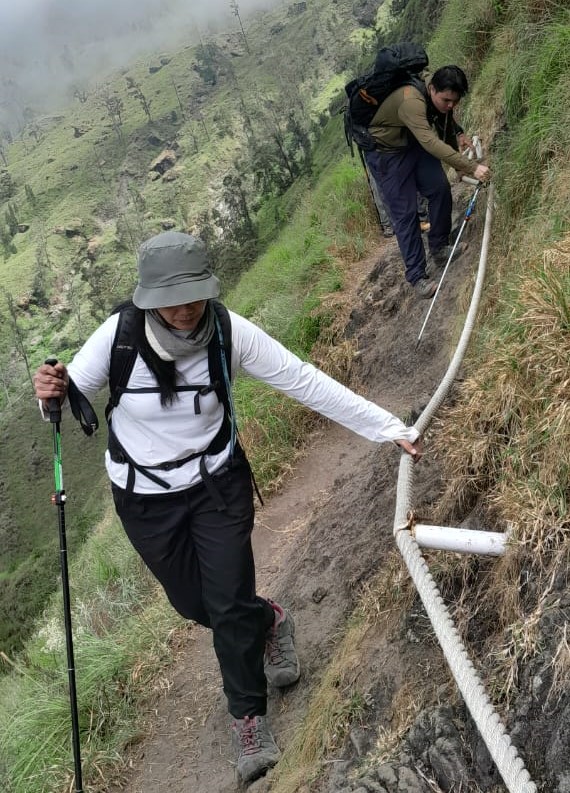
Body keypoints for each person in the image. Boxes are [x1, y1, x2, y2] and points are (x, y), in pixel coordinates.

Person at [33, 231, 424, 784]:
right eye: (172, 297)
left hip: (217, 485)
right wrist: (47, 388)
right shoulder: (118, 336)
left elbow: (302, 380)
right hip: (143, 497)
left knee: (225, 596)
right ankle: (269, 620)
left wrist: (387, 429)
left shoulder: (227, 332)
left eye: (195, 293)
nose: (186, 307)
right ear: (147, 297)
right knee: (198, 604)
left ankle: (248, 717)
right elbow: (67, 391)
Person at [364, 65, 491, 299]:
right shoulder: (411, 102)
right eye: (446, 100)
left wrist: (457, 163)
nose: (450, 105)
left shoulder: (437, 97)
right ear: (432, 89)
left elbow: (444, 127)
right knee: (406, 214)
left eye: (455, 101)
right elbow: (431, 142)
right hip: (386, 154)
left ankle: (440, 248)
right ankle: (417, 277)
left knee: (440, 189)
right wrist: (471, 167)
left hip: (412, 144)